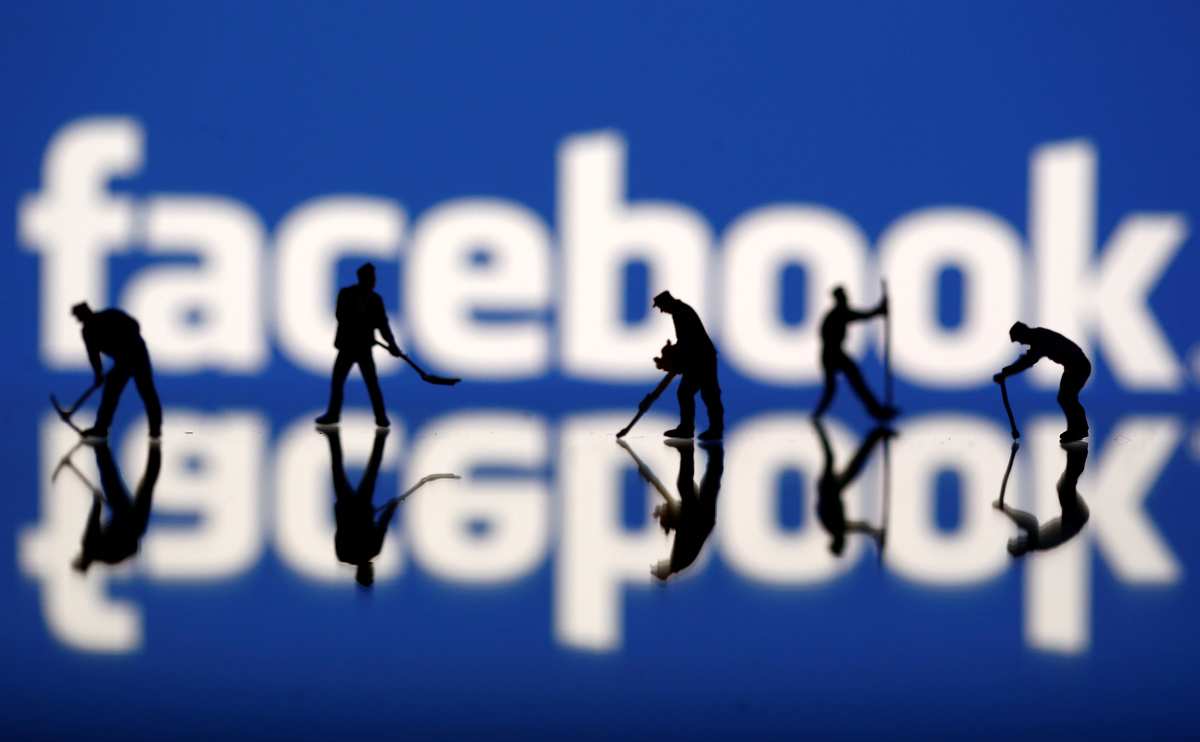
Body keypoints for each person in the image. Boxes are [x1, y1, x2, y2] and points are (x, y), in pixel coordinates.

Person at [316, 263, 402, 428]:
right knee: (337, 382)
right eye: (371, 278)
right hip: (347, 347)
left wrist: (391, 343)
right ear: (363, 278)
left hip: (364, 349)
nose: (374, 281)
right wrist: (364, 325)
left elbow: (382, 323)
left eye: (374, 278)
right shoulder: (346, 294)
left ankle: (381, 417)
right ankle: (333, 415)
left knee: (372, 383)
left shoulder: (376, 299)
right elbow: (341, 316)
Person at [72, 302, 162, 439]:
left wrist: (126, 345)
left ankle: (155, 429)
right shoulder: (87, 332)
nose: (81, 320)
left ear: (88, 312)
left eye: (81, 317)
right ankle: (101, 428)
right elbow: (93, 355)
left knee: (147, 392)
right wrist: (98, 374)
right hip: (122, 362)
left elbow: (134, 325)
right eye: (79, 318)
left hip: (138, 356)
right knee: (110, 393)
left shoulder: (111, 315)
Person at [993, 321, 1091, 443]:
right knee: (1066, 398)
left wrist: (1006, 372)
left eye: (1020, 340)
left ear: (1024, 333)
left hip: (1078, 366)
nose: (1022, 343)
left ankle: (1078, 430)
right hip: (1073, 367)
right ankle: (1078, 429)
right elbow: (1028, 358)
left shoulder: (1041, 339)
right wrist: (1006, 372)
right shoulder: (1039, 336)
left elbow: (1028, 360)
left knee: (1067, 397)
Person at [73, 440, 161, 572]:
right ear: (81, 559)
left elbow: (134, 550)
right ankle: (100, 446)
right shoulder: (89, 546)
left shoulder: (109, 560)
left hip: (136, 527)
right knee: (111, 481)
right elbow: (93, 521)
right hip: (125, 520)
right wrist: (97, 501)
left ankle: (155, 442)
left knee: (148, 482)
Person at [813, 286, 896, 421]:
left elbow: (861, 315)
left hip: (833, 353)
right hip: (832, 354)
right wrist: (879, 310)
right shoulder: (838, 313)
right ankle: (817, 415)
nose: (846, 298)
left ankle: (876, 410)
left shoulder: (837, 313)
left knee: (850, 384)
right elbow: (862, 316)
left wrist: (879, 310)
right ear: (839, 298)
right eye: (843, 296)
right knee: (840, 386)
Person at [994, 442, 1090, 556]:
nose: (1020, 539)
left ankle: (1076, 454)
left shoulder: (1036, 542)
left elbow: (1030, 524)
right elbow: (1030, 522)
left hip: (1072, 518)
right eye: (1018, 542)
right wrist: (1007, 510)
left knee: (1065, 486)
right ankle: (1079, 454)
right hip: (1075, 519)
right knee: (1065, 487)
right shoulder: (1035, 542)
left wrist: (1007, 511)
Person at [813, 419, 891, 556]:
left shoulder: (832, 526)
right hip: (835, 490)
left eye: (842, 545)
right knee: (854, 467)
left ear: (836, 542)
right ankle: (875, 435)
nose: (845, 543)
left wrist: (876, 534)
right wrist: (877, 534)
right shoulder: (841, 528)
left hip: (827, 489)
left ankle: (818, 426)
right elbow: (862, 526)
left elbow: (820, 507)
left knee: (830, 457)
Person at [652, 290, 723, 440]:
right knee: (706, 394)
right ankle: (707, 429)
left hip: (701, 358)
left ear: (667, 302)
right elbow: (686, 341)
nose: (661, 311)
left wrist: (673, 357)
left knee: (692, 393)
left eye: (661, 307)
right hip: (701, 357)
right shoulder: (680, 311)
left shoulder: (681, 312)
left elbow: (688, 341)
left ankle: (690, 429)